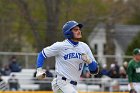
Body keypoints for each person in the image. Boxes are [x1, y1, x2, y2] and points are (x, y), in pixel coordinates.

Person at [35, 20, 99, 93]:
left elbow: (94, 71)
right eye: (75, 30)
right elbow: (42, 54)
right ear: (68, 32)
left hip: (73, 86)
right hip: (61, 83)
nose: (79, 31)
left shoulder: (84, 47)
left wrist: (89, 61)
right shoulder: (60, 46)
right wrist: (39, 69)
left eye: (79, 29)